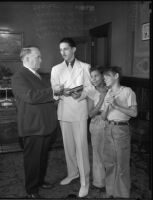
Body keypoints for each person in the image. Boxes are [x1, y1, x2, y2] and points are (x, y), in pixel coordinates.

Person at [11, 47, 58, 198]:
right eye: (38, 56)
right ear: (27, 59)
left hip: (45, 125)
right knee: (33, 160)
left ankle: (40, 181)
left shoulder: (38, 75)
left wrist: (56, 95)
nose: (41, 59)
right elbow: (30, 97)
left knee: (43, 156)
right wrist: (53, 91)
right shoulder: (19, 76)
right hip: (33, 127)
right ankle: (31, 190)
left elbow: (44, 96)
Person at [50, 38, 92, 198]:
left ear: (74, 49)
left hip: (79, 111)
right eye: (61, 50)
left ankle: (84, 181)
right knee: (68, 146)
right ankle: (72, 173)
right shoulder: (55, 69)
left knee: (81, 147)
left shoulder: (85, 67)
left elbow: (90, 88)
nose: (63, 52)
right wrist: (60, 92)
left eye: (66, 49)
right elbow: (53, 92)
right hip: (63, 110)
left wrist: (81, 94)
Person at [100, 66, 137, 198]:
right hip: (108, 128)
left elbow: (134, 113)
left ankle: (122, 194)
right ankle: (110, 191)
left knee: (122, 162)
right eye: (104, 78)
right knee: (109, 162)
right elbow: (103, 117)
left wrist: (116, 105)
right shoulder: (108, 93)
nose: (104, 80)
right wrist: (108, 106)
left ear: (116, 76)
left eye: (107, 76)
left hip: (121, 129)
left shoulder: (128, 91)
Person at [87, 67, 107, 190]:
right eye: (92, 76)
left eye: (96, 76)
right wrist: (101, 99)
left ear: (102, 76)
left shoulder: (110, 88)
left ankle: (111, 180)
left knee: (110, 153)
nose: (93, 79)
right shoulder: (91, 92)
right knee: (98, 154)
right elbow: (90, 114)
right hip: (97, 123)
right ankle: (99, 182)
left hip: (111, 122)